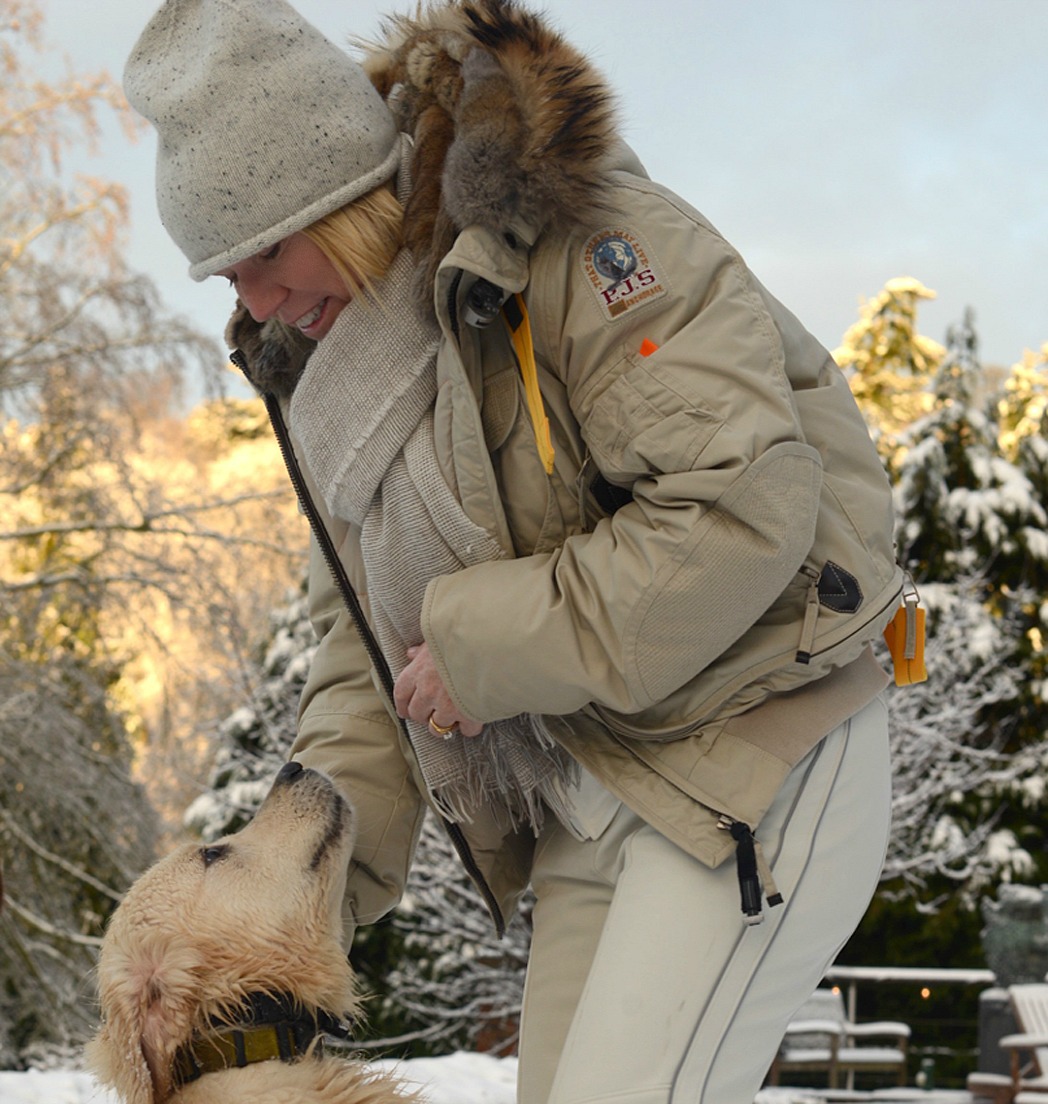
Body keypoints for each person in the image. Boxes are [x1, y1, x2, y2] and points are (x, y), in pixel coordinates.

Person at [124, 2, 905, 1101]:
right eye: (224, 274)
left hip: (757, 748)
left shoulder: (588, 246)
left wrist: (481, 650)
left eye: (262, 251)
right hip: (587, 786)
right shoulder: (333, 387)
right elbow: (371, 665)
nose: (251, 301)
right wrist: (278, 902)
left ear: (344, 198)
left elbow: (741, 509)